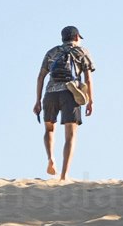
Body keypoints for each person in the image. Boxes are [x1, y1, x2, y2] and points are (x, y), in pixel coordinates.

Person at [32, 24, 95, 179]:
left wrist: (38, 101)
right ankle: (64, 175)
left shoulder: (52, 52)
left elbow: (40, 76)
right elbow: (88, 78)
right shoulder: (81, 51)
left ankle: (50, 159)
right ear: (75, 37)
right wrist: (90, 101)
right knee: (70, 135)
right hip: (70, 93)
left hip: (50, 94)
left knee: (49, 129)